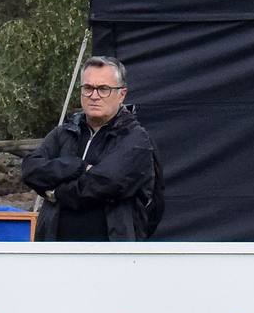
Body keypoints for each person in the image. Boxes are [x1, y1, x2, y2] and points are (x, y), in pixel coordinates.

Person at [21, 56, 166, 242]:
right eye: (88, 88)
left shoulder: (136, 139)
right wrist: (77, 167)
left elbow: (103, 183)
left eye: (104, 89)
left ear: (122, 94)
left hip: (111, 254)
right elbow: (30, 169)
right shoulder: (64, 132)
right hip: (55, 250)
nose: (94, 96)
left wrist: (56, 192)